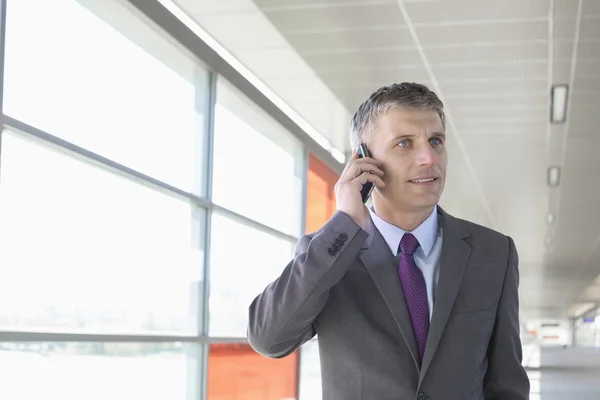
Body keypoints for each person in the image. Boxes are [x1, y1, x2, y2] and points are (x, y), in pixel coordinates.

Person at [247, 82, 530, 399]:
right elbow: (268, 339)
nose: (429, 158)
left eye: (435, 141)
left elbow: (507, 384)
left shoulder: (493, 253)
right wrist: (345, 223)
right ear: (363, 160)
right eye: (405, 143)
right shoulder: (329, 255)